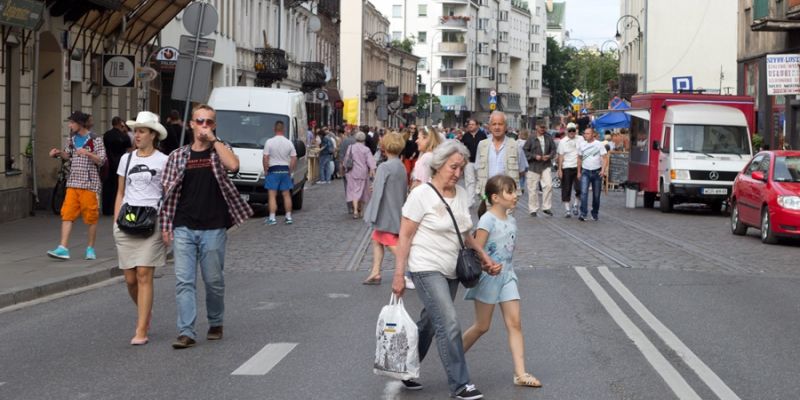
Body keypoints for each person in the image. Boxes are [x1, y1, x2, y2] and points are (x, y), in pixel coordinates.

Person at [392, 140, 501, 400]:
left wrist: (484, 256)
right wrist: (399, 274)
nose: (457, 173)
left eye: (461, 168)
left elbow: (465, 234)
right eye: (453, 167)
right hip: (425, 267)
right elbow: (404, 237)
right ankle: (461, 384)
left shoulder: (461, 195)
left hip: (453, 269)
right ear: (439, 165)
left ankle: (405, 368)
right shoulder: (421, 194)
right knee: (449, 322)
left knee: (430, 322)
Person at [159, 104, 254, 349]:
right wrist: (166, 226)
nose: (203, 125)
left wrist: (214, 140)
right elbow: (168, 194)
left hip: (213, 226)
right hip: (184, 226)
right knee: (184, 281)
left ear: (214, 125)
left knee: (213, 280)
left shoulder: (219, 151)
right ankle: (186, 331)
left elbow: (233, 165)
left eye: (209, 122)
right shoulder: (178, 156)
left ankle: (215, 321)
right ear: (191, 124)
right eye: (199, 121)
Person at [462, 175, 542, 388]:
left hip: (507, 277)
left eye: (515, 191)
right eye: (510, 191)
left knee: (515, 323)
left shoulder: (512, 219)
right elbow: (476, 248)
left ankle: (520, 373)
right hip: (488, 278)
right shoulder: (487, 220)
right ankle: (453, 357)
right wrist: (488, 265)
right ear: (495, 197)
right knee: (482, 326)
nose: (515, 195)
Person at [113, 111, 169, 346]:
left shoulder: (164, 161)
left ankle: (141, 327)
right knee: (130, 279)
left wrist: (167, 225)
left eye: (142, 131)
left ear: (153, 135)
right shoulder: (126, 160)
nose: (137, 135)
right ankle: (145, 312)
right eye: (135, 131)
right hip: (127, 220)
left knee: (144, 274)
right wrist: (116, 220)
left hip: (151, 221)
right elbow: (120, 192)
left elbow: (168, 194)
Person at [47, 111, 107, 260]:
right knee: (67, 214)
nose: (69, 125)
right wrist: (58, 153)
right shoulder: (71, 138)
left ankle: (90, 248)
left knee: (91, 217)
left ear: (80, 124)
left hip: (89, 184)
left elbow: (102, 160)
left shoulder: (95, 140)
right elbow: (69, 155)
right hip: (73, 182)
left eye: (72, 122)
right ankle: (63, 248)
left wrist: (88, 154)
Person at [361, 132, 407, 285]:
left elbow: (378, 192)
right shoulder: (400, 165)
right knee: (376, 240)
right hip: (396, 207)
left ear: (384, 147)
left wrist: (371, 214)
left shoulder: (384, 167)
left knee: (389, 243)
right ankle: (375, 272)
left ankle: (412, 270)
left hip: (385, 212)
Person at [474, 111, 528, 198]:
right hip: (487, 194)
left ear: (506, 126)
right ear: (489, 127)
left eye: (500, 124)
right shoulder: (482, 145)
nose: (497, 127)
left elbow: (521, 170)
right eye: (494, 124)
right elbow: (477, 168)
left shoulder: (515, 146)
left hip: (507, 195)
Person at [262, 120, 297, 226]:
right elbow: (294, 158)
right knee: (286, 195)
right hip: (285, 170)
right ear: (284, 130)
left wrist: (266, 169)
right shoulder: (288, 142)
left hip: (273, 170)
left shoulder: (269, 142)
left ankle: (272, 218)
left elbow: (265, 157)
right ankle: (288, 217)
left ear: (274, 129)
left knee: (272, 195)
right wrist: (290, 170)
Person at [523, 125, 557, 217]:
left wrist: (549, 156)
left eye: (544, 127)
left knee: (549, 185)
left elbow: (554, 150)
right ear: (537, 127)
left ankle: (546, 207)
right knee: (532, 188)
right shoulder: (531, 138)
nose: (543, 129)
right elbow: (525, 151)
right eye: (541, 127)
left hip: (545, 165)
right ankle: (533, 209)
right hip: (533, 166)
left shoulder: (548, 137)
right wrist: (534, 156)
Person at [102, 116, 132, 216]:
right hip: (119, 162)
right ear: (120, 124)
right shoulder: (123, 136)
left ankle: (106, 208)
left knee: (107, 186)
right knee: (117, 187)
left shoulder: (106, 134)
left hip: (109, 162)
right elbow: (129, 148)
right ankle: (114, 208)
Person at [578, 127, 608, 221]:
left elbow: (605, 157)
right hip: (585, 171)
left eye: (587, 134)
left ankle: (595, 213)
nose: (585, 135)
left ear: (592, 134)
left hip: (596, 172)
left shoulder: (599, 144)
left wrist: (603, 170)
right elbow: (579, 158)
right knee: (583, 193)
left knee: (596, 195)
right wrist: (578, 171)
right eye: (584, 133)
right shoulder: (582, 144)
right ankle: (583, 213)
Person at [344, 131, 376, 219]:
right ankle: (361, 210)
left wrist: (344, 167)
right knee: (363, 191)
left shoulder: (350, 148)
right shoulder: (366, 149)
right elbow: (371, 161)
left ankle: (355, 211)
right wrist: (373, 170)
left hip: (352, 172)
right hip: (363, 172)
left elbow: (346, 159)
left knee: (354, 191)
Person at [557, 122, 583, 217]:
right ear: (567, 131)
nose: (572, 132)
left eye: (573, 130)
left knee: (580, 188)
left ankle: (575, 204)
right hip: (567, 166)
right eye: (570, 130)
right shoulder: (563, 141)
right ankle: (567, 209)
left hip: (578, 166)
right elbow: (560, 156)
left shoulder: (580, 139)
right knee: (566, 188)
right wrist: (559, 169)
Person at [460, 119, 488, 207]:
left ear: (477, 126)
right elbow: (462, 148)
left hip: (480, 162)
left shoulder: (482, 135)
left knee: (482, 181)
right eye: (469, 124)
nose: (470, 126)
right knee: (469, 181)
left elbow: (486, 148)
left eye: (472, 124)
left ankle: (483, 199)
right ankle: (470, 201)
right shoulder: (466, 136)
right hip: (469, 162)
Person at [338, 126, 357, 213]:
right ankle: (356, 207)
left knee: (347, 188)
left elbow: (341, 155)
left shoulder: (345, 141)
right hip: (358, 168)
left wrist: (341, 167)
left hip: (347, 168)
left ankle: (350, 207)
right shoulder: (359, 143)